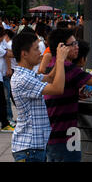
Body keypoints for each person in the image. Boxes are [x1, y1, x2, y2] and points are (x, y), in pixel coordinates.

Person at [44, 28, 92, 162]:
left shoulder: (51, 64)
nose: (77, 47)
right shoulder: (67, 66)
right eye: (73, 44)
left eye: (76, 43)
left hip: (51, 134)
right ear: (61, 47)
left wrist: (73, 94)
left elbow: (58, 90)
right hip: (65, 135)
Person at [10, 32, 69, 162]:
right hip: (29, 149)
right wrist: (59, 60)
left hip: (33, 147)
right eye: (36, 49)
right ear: (24, 54)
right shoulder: (23, 79)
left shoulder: (28, 74)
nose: (40, 52)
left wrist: (60, 58)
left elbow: (49, 78)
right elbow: (57, 88)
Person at [0, 27, 14, 132]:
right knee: (3, 101)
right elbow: (8, 54)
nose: (3, 38)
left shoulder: (2, 43)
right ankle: (5, 123)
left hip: (1, 75)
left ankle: (5, 122)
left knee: (3, 100)